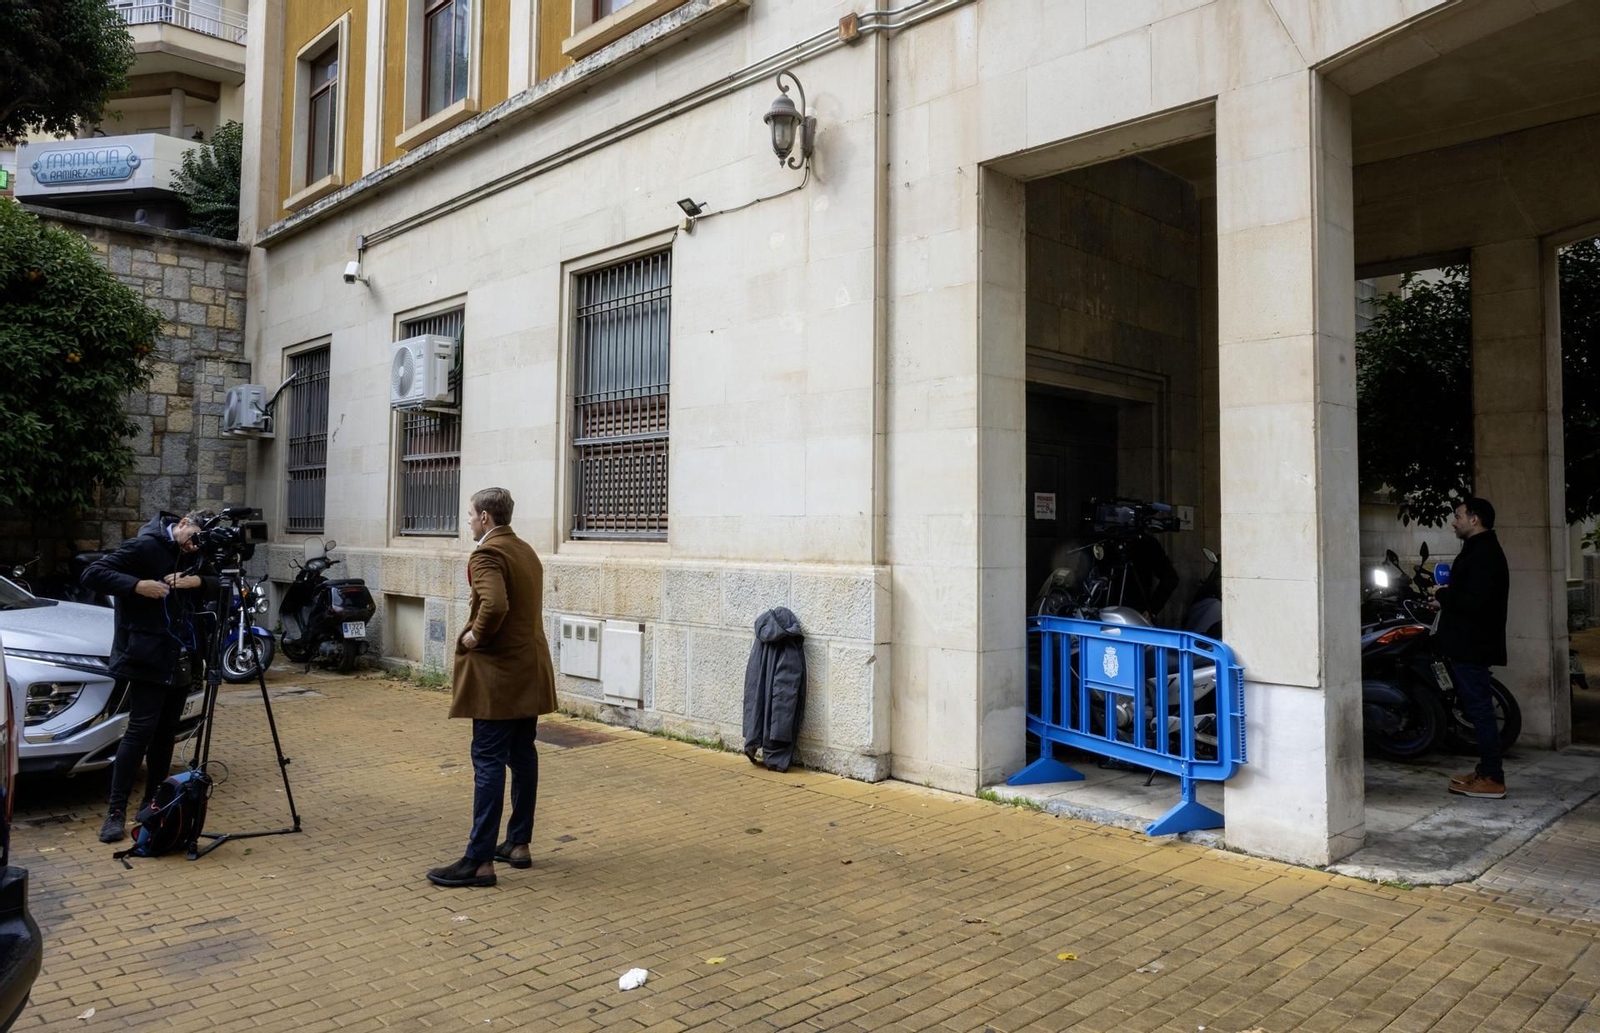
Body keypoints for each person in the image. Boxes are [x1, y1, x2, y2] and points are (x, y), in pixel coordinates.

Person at [427, 488, 557, 888]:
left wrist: (475, 636)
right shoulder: (526, 551)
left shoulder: (487, 554)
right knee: (523, 755)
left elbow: (495, 604)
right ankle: (518, 843)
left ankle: (479, 860)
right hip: (528, 673)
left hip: (498, 679)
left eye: (470, 514)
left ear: (485, 517)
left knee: (488, 761)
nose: (468, 520)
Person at [82, 510, 218, 843]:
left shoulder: (198, 552)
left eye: (200, 544)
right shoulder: (144, 546)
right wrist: (137, 586)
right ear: (183, 524)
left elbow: (220, 584)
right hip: (146, 655)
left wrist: (197, 581)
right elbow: (92, 573)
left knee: (165, 733)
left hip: (181, 654)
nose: (194, 547)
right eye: (193, 539)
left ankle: (153, 804)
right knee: (140, 731)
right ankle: (115, 811)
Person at [1434, 496, 1511, 799]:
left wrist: (1442, 595)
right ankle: (1486, 771)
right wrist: (1444, 599)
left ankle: (1492, 778)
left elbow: (1476, 603)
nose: (1454, 522)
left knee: (1480, 711)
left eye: (1458, 516)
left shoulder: (1484, 554)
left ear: (1474, 519)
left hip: (1472, 645)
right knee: (1478, 709)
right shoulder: (1479, 550)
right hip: (1467, 643)